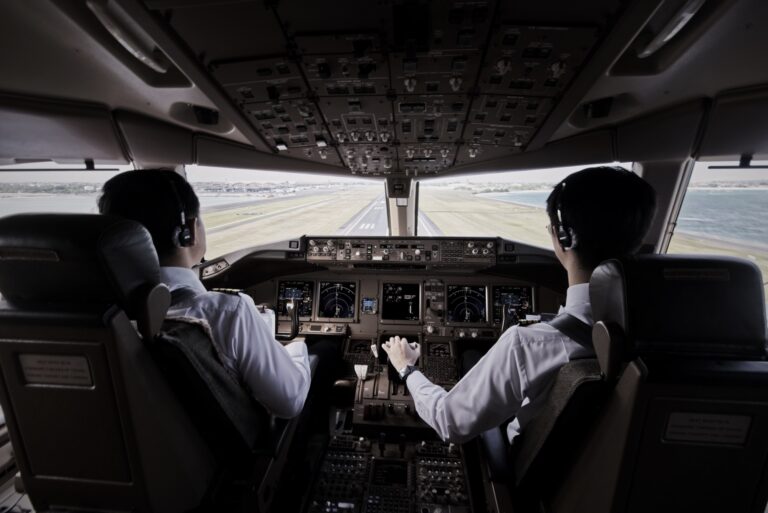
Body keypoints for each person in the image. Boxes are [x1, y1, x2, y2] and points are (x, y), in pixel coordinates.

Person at [382, 166, 657, 443]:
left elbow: (449, 422)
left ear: (564, 236)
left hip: (525, 470)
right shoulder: (661, 331)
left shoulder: (528, 345)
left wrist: (406, 367)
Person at [98, 169, 311, 419]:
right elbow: (290, 401)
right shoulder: (227, 313)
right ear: (189, 230)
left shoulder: (101, 317)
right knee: (323, 354)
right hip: (235, 453)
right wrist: (298, 349)